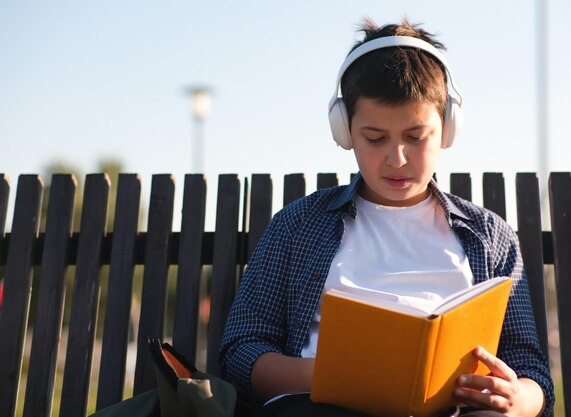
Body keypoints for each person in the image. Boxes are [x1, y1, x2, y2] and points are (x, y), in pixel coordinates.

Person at [219, 17, 554, 417]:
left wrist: (518, 399)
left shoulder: (489, 236)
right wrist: (335, 377)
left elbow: (531, 371)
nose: (397, 159)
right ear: (344, 131)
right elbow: (241, 351)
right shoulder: (299, 225)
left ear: (447, 127)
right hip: (326, 406)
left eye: (416, 137)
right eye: (374, 138)